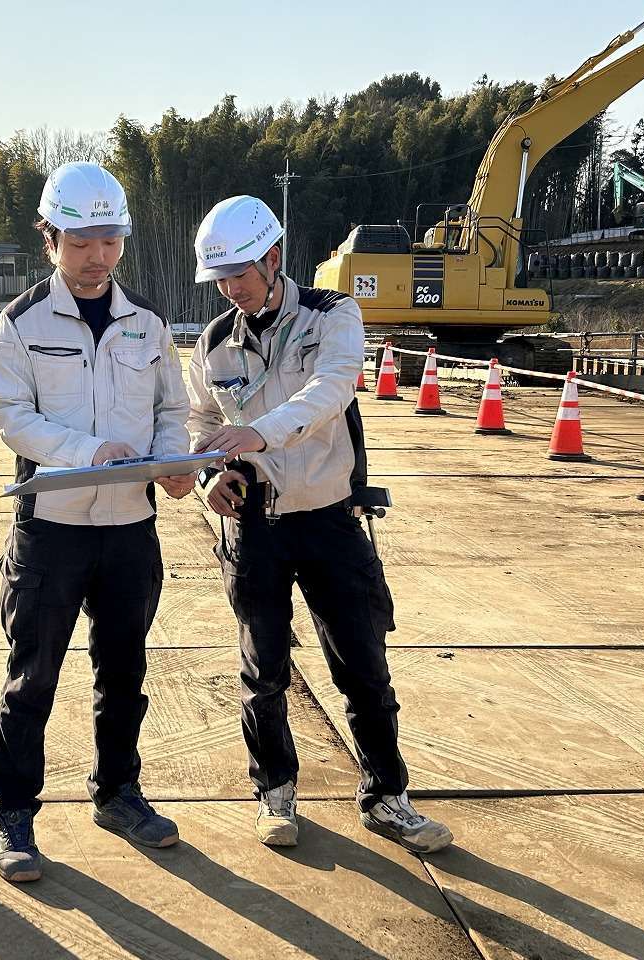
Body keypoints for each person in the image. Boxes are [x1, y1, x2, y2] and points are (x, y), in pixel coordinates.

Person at [185, 195, 453, 854]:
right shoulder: (214, 343)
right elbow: (199, 423)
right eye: (220, 279)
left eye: (240, 274)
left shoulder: (333, 314)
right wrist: (209, 476)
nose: (231, 289)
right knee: (263, 672)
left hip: (330, 521)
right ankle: (274, 791)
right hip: (254, 527)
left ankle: (387, 798)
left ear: (273, 257)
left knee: (363, 668)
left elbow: (331, 390)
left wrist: (258, 433)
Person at [0, 161, 192, 883]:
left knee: (124, 670)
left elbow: (170, 408)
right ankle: (12, 812)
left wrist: (173, 461)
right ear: (50, 240)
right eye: (80, 242)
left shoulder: (148, 322)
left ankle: (118, 792)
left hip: (130, 527)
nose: (97, 256)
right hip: (53, 528)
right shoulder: (21, 323)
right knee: (32, 676)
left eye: (110, 240)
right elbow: (12, 415)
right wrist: (87, 453)